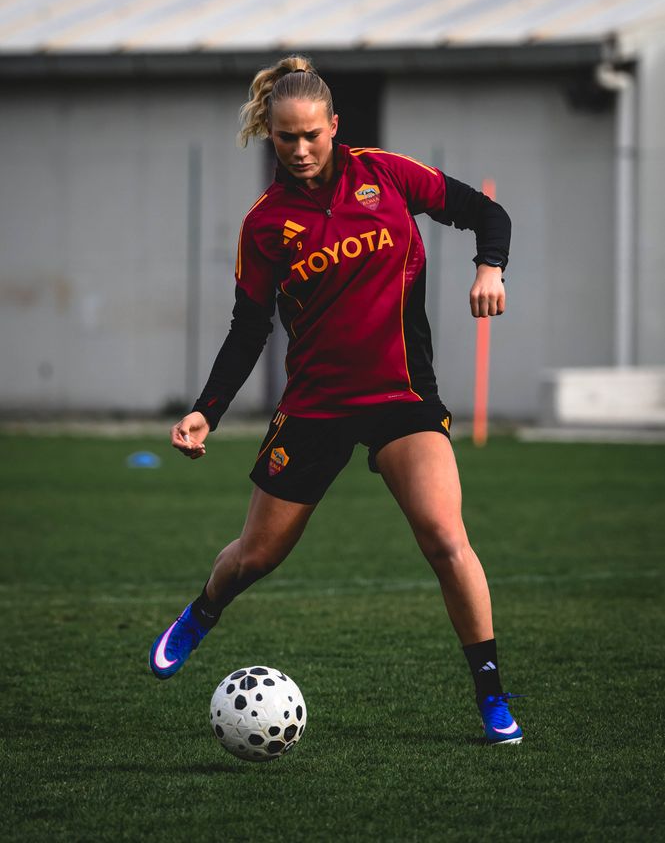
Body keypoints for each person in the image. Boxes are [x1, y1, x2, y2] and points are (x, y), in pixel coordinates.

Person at [149, 55, 523, 746]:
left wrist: (489, 267)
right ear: (269, 132)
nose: (299, 150)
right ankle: (203, 611)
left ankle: (491, 694)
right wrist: (209, 407)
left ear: (334, 127)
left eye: (311, 135)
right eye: (285, 137)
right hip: (316, 404)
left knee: (445, 538)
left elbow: (485, 214)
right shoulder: (265, 225)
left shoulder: (384, 174)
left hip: (402, 398)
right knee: (256, 556)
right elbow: (248, 328)